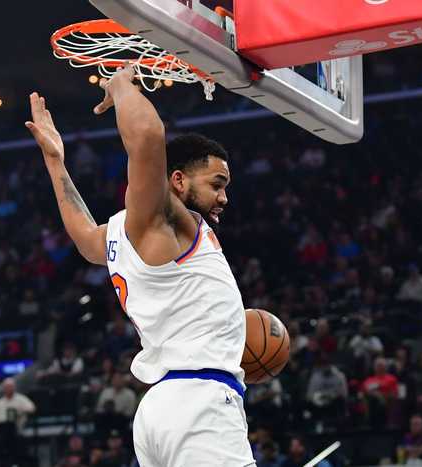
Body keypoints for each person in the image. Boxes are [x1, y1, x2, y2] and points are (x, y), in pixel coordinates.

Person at [26, 66, 252, 466]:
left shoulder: (121, 232)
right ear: (177, 180)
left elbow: (84, 238)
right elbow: (147, 136)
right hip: (200, 402)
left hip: (161, 405)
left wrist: (55, 162)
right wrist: (120, 85)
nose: (224, 198)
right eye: (216, 184)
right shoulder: (167, 221)